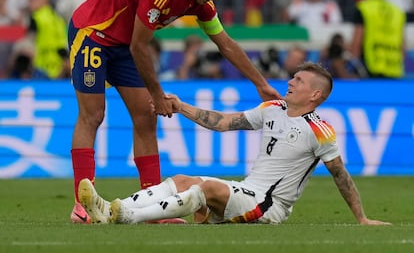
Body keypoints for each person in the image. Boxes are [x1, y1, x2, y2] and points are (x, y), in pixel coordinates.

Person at [68, 0, 281, 224]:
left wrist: (261, 84)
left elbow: (225, 43)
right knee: (93, 115)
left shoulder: (201, 3)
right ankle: (81, 206)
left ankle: (153, 209)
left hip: (124, 44)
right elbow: (140, 46)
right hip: (93, 32)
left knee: (146, 117)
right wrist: (158, 95)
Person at [77, 62, 391, 226]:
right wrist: (182, 106)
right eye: (293, 77)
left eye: (299, 81)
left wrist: (361, 218)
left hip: (268, 206)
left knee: (206, 190)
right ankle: (107, 210)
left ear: (315, 96)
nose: (291, 81)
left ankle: (125, 217)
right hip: (248, 191)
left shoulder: (320, 130)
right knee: (183, 179)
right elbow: (225, 122)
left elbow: (341, 176)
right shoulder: (273, 109)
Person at [349, 0, 406, 78]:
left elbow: (357, 42)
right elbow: (402, 44)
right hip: (394, 68)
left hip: (370, 68)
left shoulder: (363, 8)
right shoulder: (397, 11)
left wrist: (353, 68)